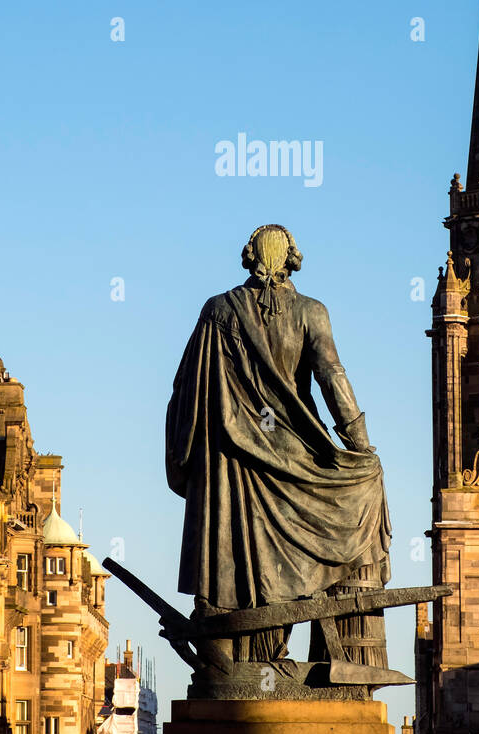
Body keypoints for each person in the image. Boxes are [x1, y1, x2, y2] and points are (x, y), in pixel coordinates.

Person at [165, 224, 391, 661]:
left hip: (230, 455)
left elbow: (185, 388)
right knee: (357, 489)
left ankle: (242, 655)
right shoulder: (311, 311)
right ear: (292, 259)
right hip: (290, 451)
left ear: (250, 256)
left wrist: (187, 448)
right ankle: (272, 658)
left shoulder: (218, 310)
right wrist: (360, 444)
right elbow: (331, 376)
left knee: (234, 550)